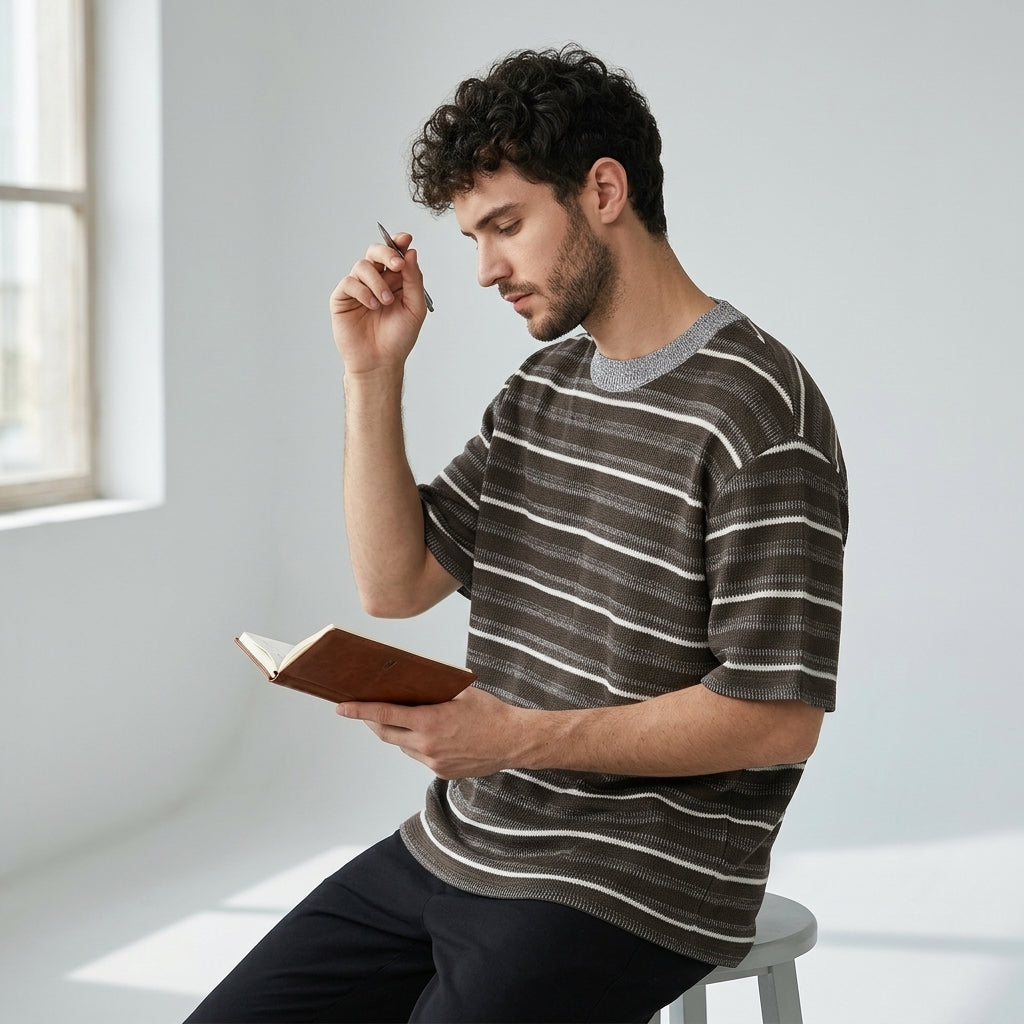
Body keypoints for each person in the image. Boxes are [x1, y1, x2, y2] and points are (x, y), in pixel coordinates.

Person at [186, 45, 848, 1024]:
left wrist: (515, 737)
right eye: (472, 236)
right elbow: (395, 581)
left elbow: (775, 716)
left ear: (604, 191)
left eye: (506, 225)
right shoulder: (538, 393)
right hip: (460, 842)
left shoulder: (758, 409)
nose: (487, 268)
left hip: (638, 882)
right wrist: (372, 374)